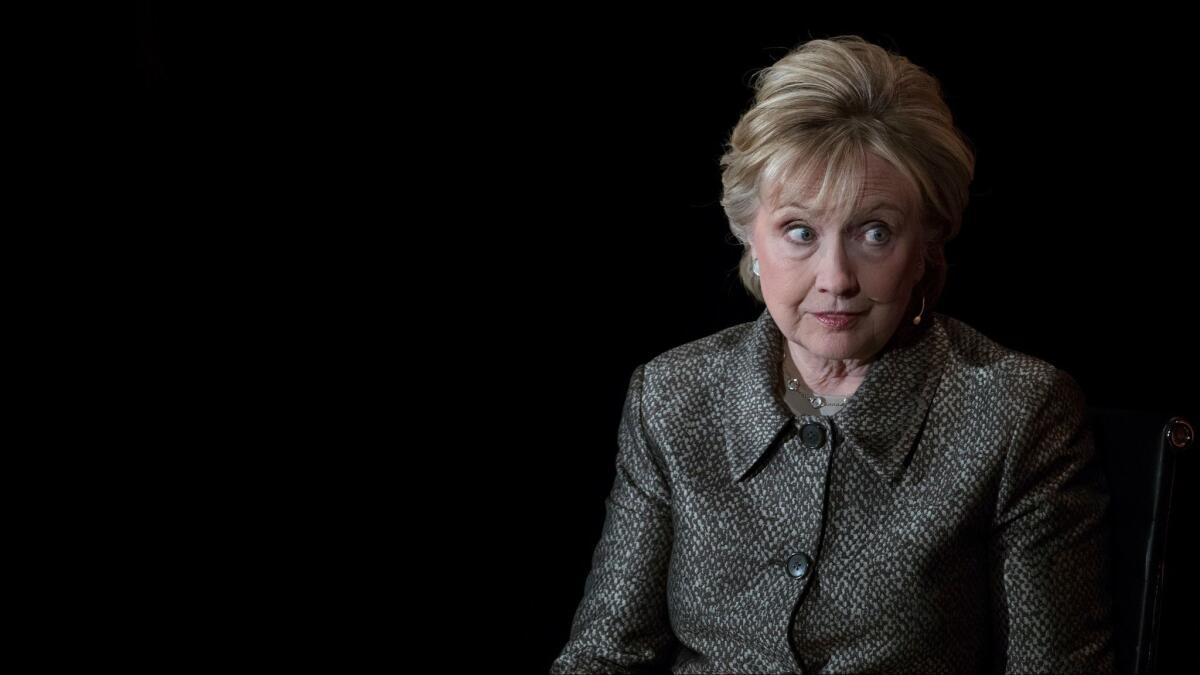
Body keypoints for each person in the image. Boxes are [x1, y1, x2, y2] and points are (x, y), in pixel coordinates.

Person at [549, 34, 1116, 674]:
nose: (836, 277)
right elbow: (603, 657)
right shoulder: (673, 394)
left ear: (926, 244)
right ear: (749, 236)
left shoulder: (1016, 411)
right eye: (800, 231)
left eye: (874, 232)